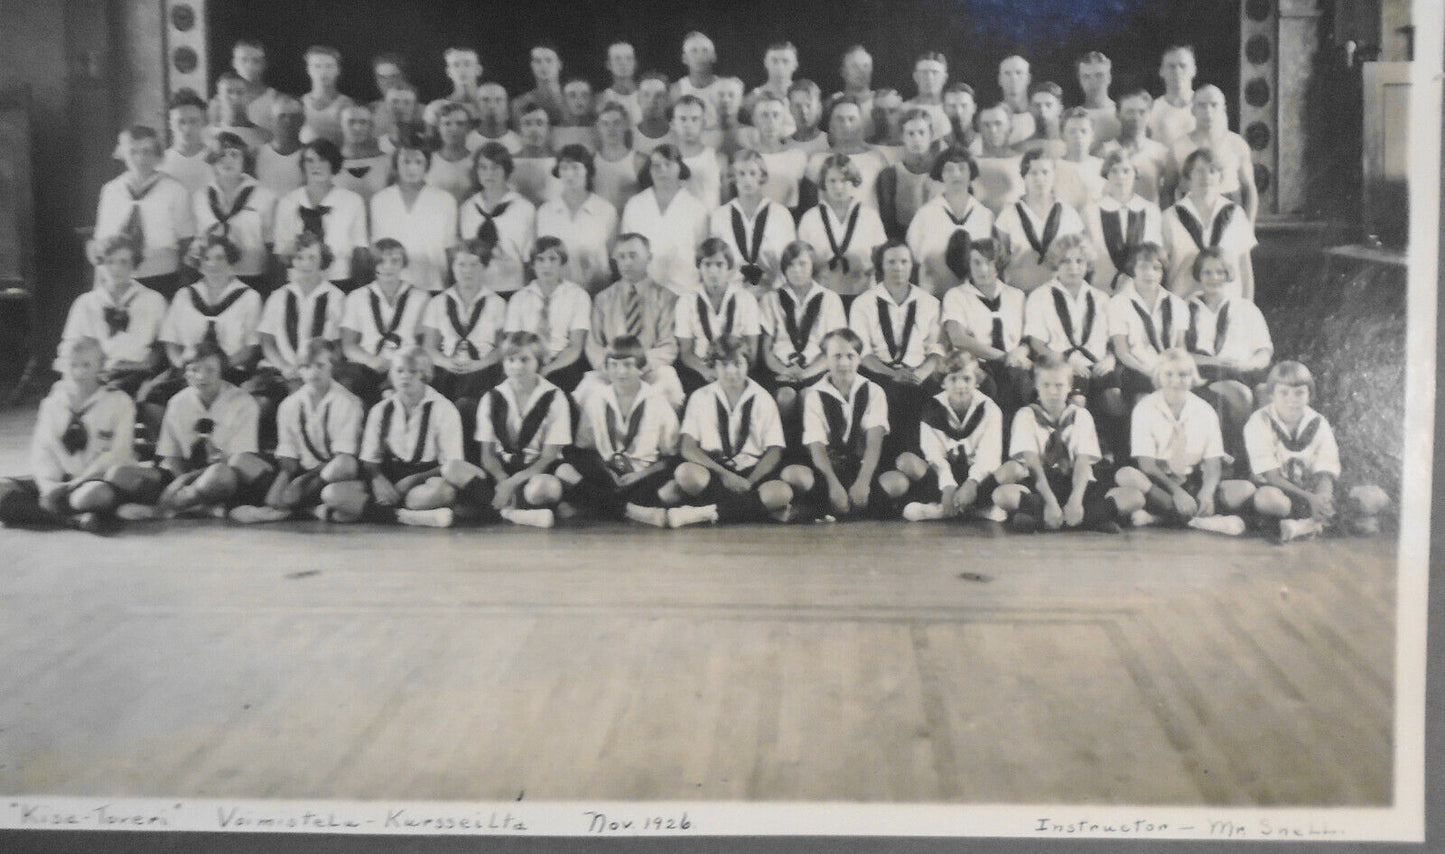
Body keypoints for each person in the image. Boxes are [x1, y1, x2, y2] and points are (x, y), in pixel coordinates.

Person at [111, 341, 270, 520]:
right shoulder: (178, 403)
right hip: (185, 473)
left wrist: (183, 483)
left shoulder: (243, 402)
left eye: (210, 370)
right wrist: (179, 480)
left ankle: (165, 509)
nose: (202, 376)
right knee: (118, 474)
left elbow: (234, 460)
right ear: (186, 373)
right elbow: (171, 455)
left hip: (222, 475)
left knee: (220, 475)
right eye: (195, 370)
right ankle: (200, 507)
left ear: (221, 371)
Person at [1114, 348, 1256, 533]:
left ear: (1192, 378)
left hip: (1192, 480)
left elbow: (1213, 464)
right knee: (1125, 474)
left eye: (1183, 375)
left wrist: (1207, 491)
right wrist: (1177, 492)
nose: (1176, 381)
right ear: (1158, 376)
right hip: (1161, 483)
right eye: (1169, 374)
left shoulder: (1204, 410)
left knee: (1246, 489)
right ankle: (1200, 522)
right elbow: (1146, 465)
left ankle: (1160, 519)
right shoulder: (1145, 408)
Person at [0, 339, 135, 532]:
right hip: (60, 480)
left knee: (91, 496)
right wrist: (48, 486)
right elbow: (42, 449)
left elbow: (119, 453)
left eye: (86, 365)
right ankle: (74, 521)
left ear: (101, 365)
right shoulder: (53, 404)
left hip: (96, 480)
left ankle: (52, 514)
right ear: (62, 365)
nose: (79, 372)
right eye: (72, 365)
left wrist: (77, 483)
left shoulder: (119, 401)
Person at [321, 345, 465, 527]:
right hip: (389, 477)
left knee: (443, 492)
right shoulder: (381, 410)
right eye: (399, 371)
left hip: (423, 478)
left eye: (413, 371)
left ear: (426, 375)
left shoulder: (444, 409)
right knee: (332, 494)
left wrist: (413, 480)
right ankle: (406, 517)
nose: (405, 377)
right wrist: (378, 480)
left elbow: (451, 464)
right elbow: (369, 458)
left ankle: (377, 513)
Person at [1245, 361, 1389, 541]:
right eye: (1284, 393)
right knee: (1271, 502)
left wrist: (1322, 498)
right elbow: (1272, 477)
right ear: (1272, 394)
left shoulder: (1318, 422)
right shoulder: (1259, 421)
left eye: (1299, 393)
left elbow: (1325, 473)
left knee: (1376, 497)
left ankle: (1306, 525)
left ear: (1310, 395)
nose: (1291, 400)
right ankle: (1317, 525)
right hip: (1279, 490)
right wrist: (1309, 499)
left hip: (1311, 489)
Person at [991, 353, 1136, 532]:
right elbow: (1033, 466)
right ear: (1036, 385)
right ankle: (1089, 520)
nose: (1053, 391)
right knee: (1001, 495)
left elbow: (1083, 463)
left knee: (1135, 497)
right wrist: (1051, 502)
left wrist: (1076, 501)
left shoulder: (1080, 415)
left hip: (1077, 482)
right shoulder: (1026, 415)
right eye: (1046, 385)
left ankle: (1047, 518)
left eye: (1059, 385)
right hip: (1042, 484)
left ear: (1069, 387)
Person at [441, 331, 572, 529]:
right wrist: (502, 480)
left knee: (547, 488)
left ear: (538, 361)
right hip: (500, 470)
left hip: (535, 470)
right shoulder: (492, 397)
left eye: (524, 360)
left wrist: (511, 484)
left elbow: (548, 457)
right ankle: (514, 513)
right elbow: (488, 455)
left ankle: (496, 509)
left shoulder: (555, 397)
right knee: (450, 468)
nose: (517, 366)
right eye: (511, 360)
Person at [228, 337, 364, 523]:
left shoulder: (348, 402)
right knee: (239, 460)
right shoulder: (289, 404)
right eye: (306, 366)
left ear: (332, 366)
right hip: (299, 471)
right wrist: (283, 482)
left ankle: (288, 511)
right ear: (299, 369)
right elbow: (288, 454)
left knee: (344, 465)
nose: (313, 372)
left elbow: (343, 458)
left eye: (320, 365)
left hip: (328, 476)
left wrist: (302, 484)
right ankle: (305, 510)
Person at [667, 334, 794, 527]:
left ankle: (704, 513)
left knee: (783, 492)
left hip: (752, 473)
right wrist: (725, 475)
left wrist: (749, 481)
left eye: (737, 364)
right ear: (713, 366)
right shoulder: (700, 397)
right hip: (715, 471)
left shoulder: (763, 398)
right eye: (723, 365)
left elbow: (774, 451)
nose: (731, 371)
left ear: (747, 364)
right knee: (685, 474)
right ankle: (755, 511)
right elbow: (687, 447)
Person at [793, 328, 906, 520]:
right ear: (825, 360)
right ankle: (846, 507)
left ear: (859, 359)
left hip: (860, 467)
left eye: (850, 356)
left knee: (898, 483)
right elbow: (817, 447)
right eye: (837, 356)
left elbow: (874, 444)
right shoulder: (814, 394)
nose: (844, 363)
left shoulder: (874, 391)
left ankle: (832, 510)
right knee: (794, 475)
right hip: (829, 468)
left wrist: (863, 482)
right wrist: (833, 485)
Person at [567, 335, 680, 526]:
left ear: (641, 367)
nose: (621, 372)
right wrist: (607, 472)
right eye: (614, 365)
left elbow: (670, 457)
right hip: (608, 476)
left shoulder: (657, 401)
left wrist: (639, 475)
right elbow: (584, 449)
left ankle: (603, 507)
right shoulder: (596, 399)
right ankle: (631, 511)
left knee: (671, 490)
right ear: (606, 368)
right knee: (566, 471)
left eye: (628, 365)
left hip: (644, 476)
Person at [142, 235, 263, 411]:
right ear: (198, 263)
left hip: (231, 370)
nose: (213, 264)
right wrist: (185, 367)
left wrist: (215, 369)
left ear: (230, 260)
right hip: (188, 371)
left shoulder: (249, 298)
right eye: (206, 258)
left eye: (220, 258)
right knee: (153, 398)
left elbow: (249, 349)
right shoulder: (184, 296)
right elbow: (171, 342)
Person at [849, 240, 943, 451]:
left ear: (912, 265)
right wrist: (892, 374)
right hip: (879, 372)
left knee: (933, 399)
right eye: (891, 262)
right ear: (881, 265)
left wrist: (922, 371)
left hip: (919, 372)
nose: (898, 268)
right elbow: (862, 353)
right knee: (888, 395)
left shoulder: (929, 303)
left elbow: (937, 348)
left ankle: (921, 461)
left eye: (904, 261)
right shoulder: (863, 303)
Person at [1183, 247, 1273, 462]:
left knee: (1267, 394)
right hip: (1204, 374)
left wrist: (1249, 364)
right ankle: (1242, 458)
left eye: (1220, 272)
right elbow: (1179, 354)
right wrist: (1215, 361)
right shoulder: (1185, 308)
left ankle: (1267, 463)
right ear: (1198, 275)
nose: (1214, 278)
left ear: (1228, 274)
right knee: (1239, 394)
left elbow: (1264, 350)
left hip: (1244, 371)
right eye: (1207, 272)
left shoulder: (1246, 308)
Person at [896, 350, 1007, 523]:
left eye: (967, 379)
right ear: (943, 383)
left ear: (977, 381)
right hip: (944, 477)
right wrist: (948, 487)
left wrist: (972, 483)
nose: (960, 385)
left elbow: (989, 456)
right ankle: (969, 510)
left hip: (978, 479)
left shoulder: (990, 409)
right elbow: (934, 455)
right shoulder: (932, 409)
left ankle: (946, 510)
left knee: (1009, 470)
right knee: (906, 461)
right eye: (953, 379)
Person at [250, 233, 346, 425]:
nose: (305, 264)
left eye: (312, 258)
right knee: (257, 403)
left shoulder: (336, 297)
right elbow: (267, 341)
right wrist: (284, 367)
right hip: (283, 368)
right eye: (299, 257)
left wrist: (314, 369)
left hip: (321, 370)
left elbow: (338, 344)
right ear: (291, 261)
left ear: (322, 261)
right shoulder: (278, 296)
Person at [579, 233, 683, 410]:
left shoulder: (667, 298)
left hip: (650, 368)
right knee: (587, 390)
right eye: (621, 257)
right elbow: (594, 345)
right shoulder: (603, 298)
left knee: (669, 384)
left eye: (633, 256)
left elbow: (669, 346)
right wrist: (615, 367)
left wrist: (636, 364)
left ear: (649, 257)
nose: (627, 262)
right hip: (611, 369)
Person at [92, 125, 196, 298]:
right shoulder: (111, 191)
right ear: (122, 153)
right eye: (133, 151)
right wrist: (97, 289)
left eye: (147, 151)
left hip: (162, 278)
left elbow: (186, 243)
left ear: (157, 154)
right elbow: (102, 244)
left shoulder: (175, 190)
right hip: (118, 279)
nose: (140, 158)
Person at [60, 235, 168, 397]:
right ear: (100, 264)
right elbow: (70, 347)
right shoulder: (85, 303)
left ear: (134, 264)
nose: (116, 269)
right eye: (109, 262)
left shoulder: (153, 300)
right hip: (95, 375)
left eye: (123, 262)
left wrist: (146, 367)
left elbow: (165, 346)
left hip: (138, 373)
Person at [940, 237, 1032, 416]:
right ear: (969, 264)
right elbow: (958, 339)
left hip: (1014, 365)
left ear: (999, 265)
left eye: (989, 263)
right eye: (977, 263)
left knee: (1024, 385)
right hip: (978, 365)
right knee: (989, 388)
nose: (983, 269)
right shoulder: (956, 296)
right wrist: (1003, 357)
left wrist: (1021, 352)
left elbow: (1027, 339)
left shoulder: (1016, 296)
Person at [1023, 233, 1115, 407]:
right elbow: (1036, 343)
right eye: (1066, 261)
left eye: (1079, 261)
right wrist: (1066, 363)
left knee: (1114, 398)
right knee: (1077, 402)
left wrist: (1109, 359)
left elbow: (1112, 342)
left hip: (1097, 365)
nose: (1073, 267)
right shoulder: (1040, 296)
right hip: (1060, 367)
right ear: (1056, 264)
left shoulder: (1101, 298)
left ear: (1087, 264)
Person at [339, 239, 428, 405]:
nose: (388, 267)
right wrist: (371, 360)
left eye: (395, 261)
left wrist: (401, 363)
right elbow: (348, 345)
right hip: (368, 365)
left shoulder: (420, 297)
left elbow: (424, 344)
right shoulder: (357, 297)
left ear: (403, 264)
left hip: (406, 366)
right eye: (381, 262)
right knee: (349, 385)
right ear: (373, 265)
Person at [1162, 148, 1257, 299]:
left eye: (1212, 170)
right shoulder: (1169, 217)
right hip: (1184, 306)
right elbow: (1162, 271)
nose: (1206, 176)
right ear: (1188, 178)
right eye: (1199, 171)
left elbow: (1245, 268)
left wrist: (1247, 308)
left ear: (1220, 177)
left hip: (1228, 306)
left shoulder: (1235, 214)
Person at [273, 139, 368, 290]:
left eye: (322, 160)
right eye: (310, 160)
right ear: (303, 166)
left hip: (339, 281)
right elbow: (280, 253)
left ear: (333, 164)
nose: (316, 166)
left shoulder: (352, 202)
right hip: (297, 281)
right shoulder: (288, 202)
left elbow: (360, 250)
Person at [422, 238, 509, 402]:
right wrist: (446, 362)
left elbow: (502, 348)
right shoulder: (437, 302)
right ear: (453, 267)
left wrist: (480, 364)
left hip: (483, 368)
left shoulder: (497, 303)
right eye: (461, 264)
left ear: (484, 267)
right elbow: (429, 346)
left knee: (469, 399)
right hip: (447, 368)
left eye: (474, 265)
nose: (467, 271)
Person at [1107, 242, 1188, 416]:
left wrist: (1172, 371)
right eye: (1143, 267)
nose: (1149, 273)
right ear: (1133, 269)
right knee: (1146, 405)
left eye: (1156, 268)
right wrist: (1150, 371)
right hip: (1135, 369)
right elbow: (1122, 352)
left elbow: (1180, 347)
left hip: (1170, 370)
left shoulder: (1177, 304)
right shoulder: (1118, 303)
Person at [675, 238, 763, 396]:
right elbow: (686, 353)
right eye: (707, 265)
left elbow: (752, 351)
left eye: (719, 264)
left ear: (729, 267)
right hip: (701, 370)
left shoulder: (746, 299)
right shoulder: (686, 301)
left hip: (737, 369)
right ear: (699, 267)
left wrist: (732, 373)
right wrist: (704, 371)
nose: (713, 271)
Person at [503, 236, 592, 391]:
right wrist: (529, 366)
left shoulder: (578, 296)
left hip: (562, 362)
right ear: (532, 265)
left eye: (553, 259)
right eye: (540, 260)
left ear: (562, 263)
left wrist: (547, 369)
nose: (547, 266)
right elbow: (513, 344)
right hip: (524, 360)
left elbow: (575, 347)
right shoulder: (519, 298)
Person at [369, 142, 459, 294]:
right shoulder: (380, 200)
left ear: (427, 165)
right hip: (392, 285)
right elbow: (377, 249)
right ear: (396, 164)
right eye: (405, 161)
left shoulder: (445, 200)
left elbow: (450, 249)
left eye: (418, 162)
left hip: (434, 284)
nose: (411, 168)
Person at [620, 145, 710, 295]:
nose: (662, 170)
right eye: (655, 166)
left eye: (668, 164)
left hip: (685, 291)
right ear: (649, 171)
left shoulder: (696, 208)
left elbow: (703, 257)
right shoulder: (635, 205)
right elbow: (625, 252)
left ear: (680, 168)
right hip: (643, 293)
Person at [797, 153, 888, 302]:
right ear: (823, 182)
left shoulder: (870, 216)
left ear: (853, 181)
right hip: (823, 294)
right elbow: (802, 260)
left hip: (863, 293)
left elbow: (881, 258)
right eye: (832, 181)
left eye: (844, 180)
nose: (838, 187)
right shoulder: (810, 218)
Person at [191, 132, 276, 291]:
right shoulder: (200, 197)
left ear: (244, 160)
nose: (228, 160)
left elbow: (271, 244)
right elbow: (198, 240)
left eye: (234, 155)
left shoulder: (264, 196)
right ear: (213, 160)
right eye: (221, 155)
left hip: (252, 277)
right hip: (212, 277)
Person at [995, 151, 1086, 292]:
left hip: (1059, 293)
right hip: (1020, 291)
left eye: (1045, 172)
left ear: (1053, 175)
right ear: (1024, 176)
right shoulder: (1008, 215)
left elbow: (1080, 259)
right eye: (1033, 173)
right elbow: (1000, 263)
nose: (1040, 178)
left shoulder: (1069, 213)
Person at [906, 146, 992, 294]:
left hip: (973, 298)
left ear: (971, 173)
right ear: (940, 174)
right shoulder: (925, 215)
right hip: (934, 295)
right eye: (949, 169)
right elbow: (914, 257)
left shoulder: (984, 215)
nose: (956, 174)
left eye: (962, 168)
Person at [536, 144, 620, 295]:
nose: (569, 174)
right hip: (556, 294)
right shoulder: (545, 211)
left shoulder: (605, 210)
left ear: (587, 170)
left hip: (596, 293)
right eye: (564, 168)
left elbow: (614, 260)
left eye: (576, 167)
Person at [709, 150, 796, 294]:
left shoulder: (780, 214)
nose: (747, 180)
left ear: (762, 175)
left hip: (773, 291)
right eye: (741, 174)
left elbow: (790, 261)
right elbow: (716, 263)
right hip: (733, 293)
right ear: (733, 177)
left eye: (752, 173)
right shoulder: (720, 216)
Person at [1167, 86, 1257, 220]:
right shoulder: (1179, 146)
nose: (1208, 111)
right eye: (1202, 106)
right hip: (1190, 215)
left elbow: (1249, 189)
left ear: (1223, 109)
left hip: (1229, 213)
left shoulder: (1237, 143)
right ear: (1192, 109)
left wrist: (1248, 228)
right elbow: (1167, 189)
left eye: (1214, 105)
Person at [459, 143, 535, 299]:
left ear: (506, 169)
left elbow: (530, 259)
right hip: (476, 290)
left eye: (495, 167)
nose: (489, 173)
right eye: (483, 167)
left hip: (513, 289)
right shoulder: (468, 208)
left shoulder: (523, 207)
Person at [1086, 150, 1165, 292]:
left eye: (1126, 171)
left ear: (1135, 173)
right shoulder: (1091, 212)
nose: (1120, 177)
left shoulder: (1151, 211)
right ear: (1106, 174)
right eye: (1114, 171)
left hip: (1140, 292)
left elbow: (1155, 255)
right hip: (1101, 290)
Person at [802, 97, 888, 211]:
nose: (846, 124)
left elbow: (885, 203)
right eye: (840, 119)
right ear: (831, 125)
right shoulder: (817, 159)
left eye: (852, 119)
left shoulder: (876, 158)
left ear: (860, 124)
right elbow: (809, 206)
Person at [1095, 89, 1170, 205]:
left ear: (1150, 114)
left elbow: (1168, 194)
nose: (1136, 118)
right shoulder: (1104, 152)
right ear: (1118, 114)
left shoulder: (1161, 153)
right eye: (1130, 112)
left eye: (1142, 112)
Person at [876, 109, 942, 241]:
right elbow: (888, 225)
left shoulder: (944, 171)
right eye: (910, 133)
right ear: (902, 136)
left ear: (931, 135)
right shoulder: (889, 176)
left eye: (922, 133)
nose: (916, 139)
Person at [207, 40, 281, 134]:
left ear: (264, 64)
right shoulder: (218, 102)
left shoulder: (276, 100)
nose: (249, 65)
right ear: (234, 63)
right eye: (244, 60)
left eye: (256, 60)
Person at [748, 96, 809, 210]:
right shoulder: (746, 157)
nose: (770, 122)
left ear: (783, 119)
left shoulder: (797, 156)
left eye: (776, 115)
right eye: (764, 115)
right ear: (754, 120)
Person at [591, 103, 649, 215]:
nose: (611, 129)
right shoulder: (590, 161)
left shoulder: (639, 161)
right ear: (598, 127)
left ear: (625, 125)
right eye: (605, 124)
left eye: (616, 123)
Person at [670, 95, 727, 207]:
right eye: (682, 119)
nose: (688, 125)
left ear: (703, 124)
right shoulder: (665, 161)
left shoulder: (718, 159)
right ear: (673, 124)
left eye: (694, 119)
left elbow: (726, 205)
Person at [970, 104, 1025, 215]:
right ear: (979, 128)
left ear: (1010, 127)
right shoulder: (969, 164)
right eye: (986, 125)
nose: (993, 130)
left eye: (998, 124)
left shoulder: (1024, 162)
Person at [160, 89, 214, 196]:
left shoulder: (216, 160)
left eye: (193, 121)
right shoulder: (161, 164)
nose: (187, 128)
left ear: (203, 122)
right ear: (170, 124)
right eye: (181, 122)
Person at [299, 45, 355, 146]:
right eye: (317, 66)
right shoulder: (300, 104)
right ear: (308, 70)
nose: (323, 72)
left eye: (329, 66)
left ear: (338, 70)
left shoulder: (348, 105)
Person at [334, 106, 391, 203]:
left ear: (371, 126)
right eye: (351, 122)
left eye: (363, 122)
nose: (357, 128)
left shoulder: (386, 162)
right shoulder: (331, 162)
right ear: (340, 126)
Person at [671, 31, 725, 133]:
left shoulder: (726, 87)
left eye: (705, 50)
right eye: (694, 51)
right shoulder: (676, 90)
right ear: (684, 58)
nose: (700, 56)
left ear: (714, 56)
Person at [255, 96, 306, 200]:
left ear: (302, 121)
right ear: (271, 120)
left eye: (294, 117)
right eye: (282, 116)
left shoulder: (310, 156)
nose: (288, 121)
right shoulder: (256, 155)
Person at [512, 103, 562, 207]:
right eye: (528, 124)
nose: (534, 129)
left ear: (549, 129)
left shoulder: (561, 163)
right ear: (519, 129)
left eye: (540, 123)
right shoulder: (510, 163)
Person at [1054, 108, 1104, 212]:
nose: (1078, 136)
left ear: (1092, 135)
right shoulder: (1053, 168)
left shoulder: (1102, 167)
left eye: (1084, 131)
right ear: (1062, 135)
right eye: (1072, 131)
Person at [210, 70, 273, 152]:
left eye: (240, 92)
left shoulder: (264, 138)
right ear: (219, 97)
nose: (235, 97)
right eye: (229, 92)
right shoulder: (208, 135)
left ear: (248, 98)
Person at [1149, 45, 1198, 148]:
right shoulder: (1152, 110)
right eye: (1171, 66)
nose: (1177, 71)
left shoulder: (1206, 105)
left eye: (1183, 66)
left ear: (1194, 70)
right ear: (1161, 71)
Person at [427, 103, 477, 203]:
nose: (453, 129)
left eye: (460, 124)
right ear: (438, 128)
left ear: (468, 128)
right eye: (447, 124)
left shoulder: (476, 161)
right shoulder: (428, 160)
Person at [424, 47, 484, 127]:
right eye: (456, 65)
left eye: (467, 64)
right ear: (449, 72)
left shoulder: (494, 105)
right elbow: (430, 138)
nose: (462, 70)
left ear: (478, 70)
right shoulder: (436, 108)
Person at [830, 45, 880, 143]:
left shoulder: (881, 105)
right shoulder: (831, 105)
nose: (861, 71)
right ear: (843, 72)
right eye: (855, 66)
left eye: (865, 66)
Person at [743, 42, 800, 126]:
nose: (780, 66)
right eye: (774, 61)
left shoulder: (804, 97)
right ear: (766, 63)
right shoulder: (752, 100)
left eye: (785, 61)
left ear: (795, 64)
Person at [901, 52, 953, 141]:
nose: (929, 77)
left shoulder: (952, 110)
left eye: (935, 72)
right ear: (916, 77)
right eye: (924, 72)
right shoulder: (903, 110)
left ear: (945, 78)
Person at [513, 42, 566, 127]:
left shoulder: (571, 100)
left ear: (559, 64)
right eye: (538, 61)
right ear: (532, 65)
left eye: (549, 60)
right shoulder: (520, 104)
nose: (544, 66)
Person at [1075, 51, 1121, 144]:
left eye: (1099, 75)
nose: (1093, 82)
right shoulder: (1072, 116)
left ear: (1109, 78)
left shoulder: (1121, 114)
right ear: (1080, 80)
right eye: (1086, 76)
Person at [466, 83, 523, 154]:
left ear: (507, 109)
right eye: (485, 100)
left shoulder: (519, 143)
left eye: (498, 100)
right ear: (476, 109)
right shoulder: (466, 144)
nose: (492, 106)